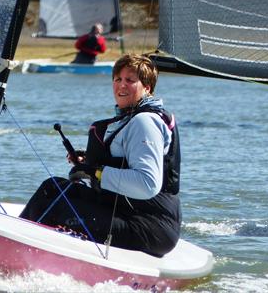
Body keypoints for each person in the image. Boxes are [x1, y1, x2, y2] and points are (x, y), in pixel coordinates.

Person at [20, 54, 181, 257]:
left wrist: (95, 173)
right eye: (117, 79)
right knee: (51, 188)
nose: (122, 85)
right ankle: (15, 244)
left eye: (130, 80)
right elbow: (126, 161)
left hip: (149, 227)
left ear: (147, 87)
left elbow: (147, 183)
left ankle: (17, 254)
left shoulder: (145, 122)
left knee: (54, 207)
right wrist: (89, 162)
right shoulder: (131, 119)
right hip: (123, 211)